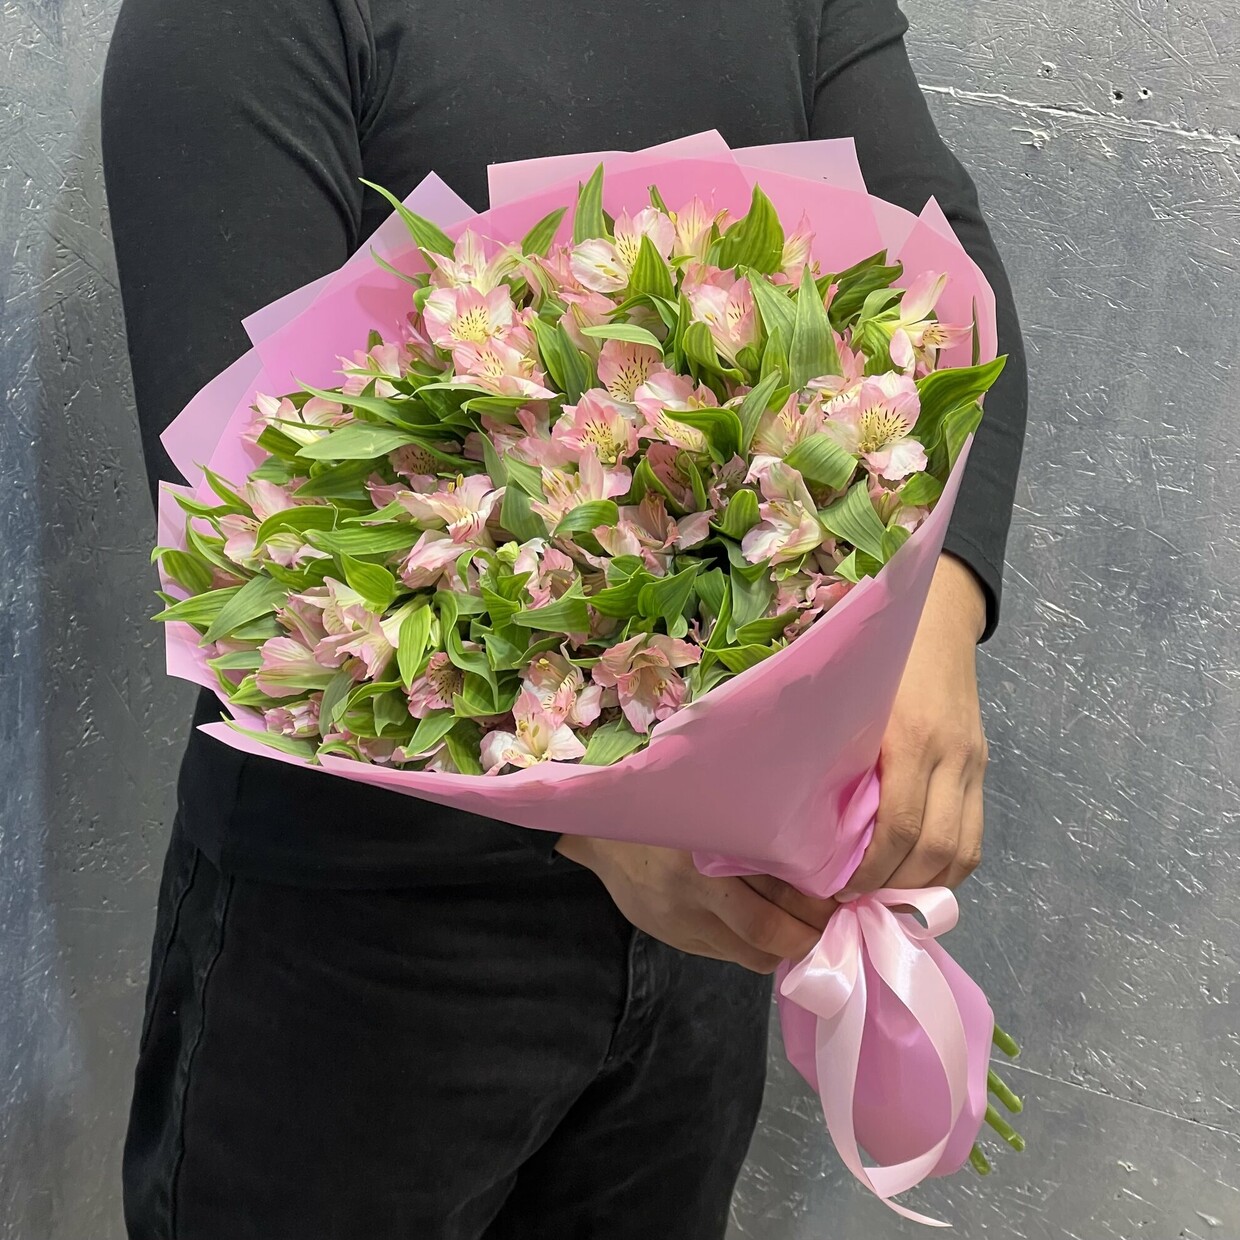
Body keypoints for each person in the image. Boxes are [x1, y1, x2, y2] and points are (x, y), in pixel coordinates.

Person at [100, 0, 1028, 1235]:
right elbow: (250, 499)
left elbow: (938, 263)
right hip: (363, 942)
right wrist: (614, 817)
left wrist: (937, 623)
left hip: (708, 923)